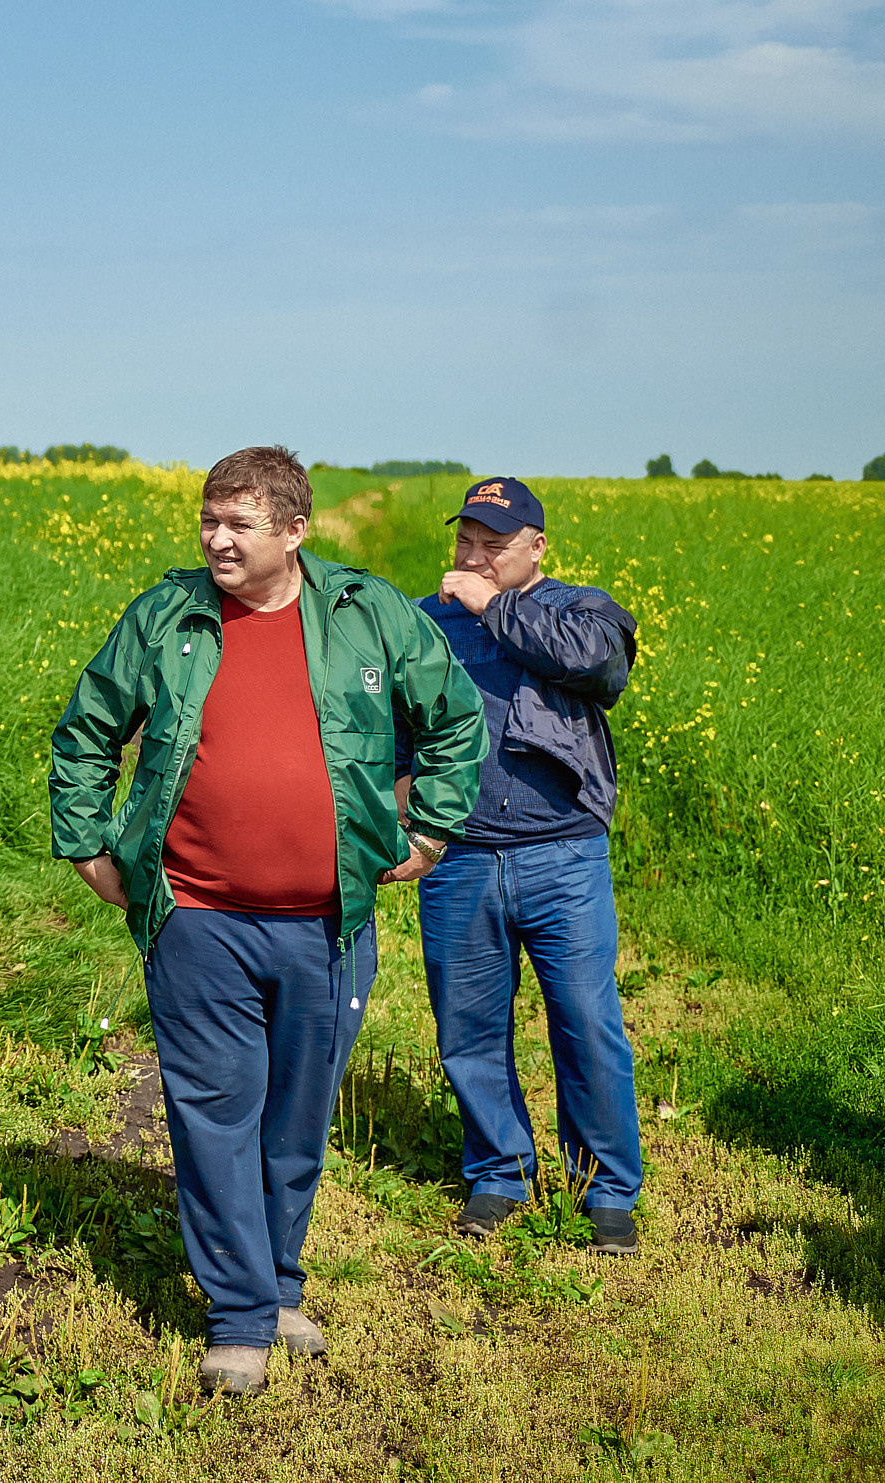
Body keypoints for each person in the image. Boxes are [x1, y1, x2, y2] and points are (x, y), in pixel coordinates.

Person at [49, 446, 485, 1396]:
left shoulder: (368, 615)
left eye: (238, 523)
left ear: (295, 530)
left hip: (328, 921)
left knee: (297, 1115)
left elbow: (455, 718)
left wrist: (434, 827)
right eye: (209, 519)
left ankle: (276, 1278)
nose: (216, 539)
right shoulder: (165, 616)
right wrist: (87, 839)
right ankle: (240, 1315)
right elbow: (88, 728)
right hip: (197, 914)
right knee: (214, 1114)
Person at [398, 477, 645, 1252]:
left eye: (493, 544)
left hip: (561, 851)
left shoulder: (582, 609)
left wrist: (488, 604)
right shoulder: (425, 622)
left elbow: (598, 668)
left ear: (537, 546)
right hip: (460, 857)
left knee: (586, 1021)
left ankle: (604, 1187)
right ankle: (498, 1172)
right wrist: (405, 817)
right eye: (465, 541)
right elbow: (397, 721)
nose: (473, 557)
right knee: (468, 1030)